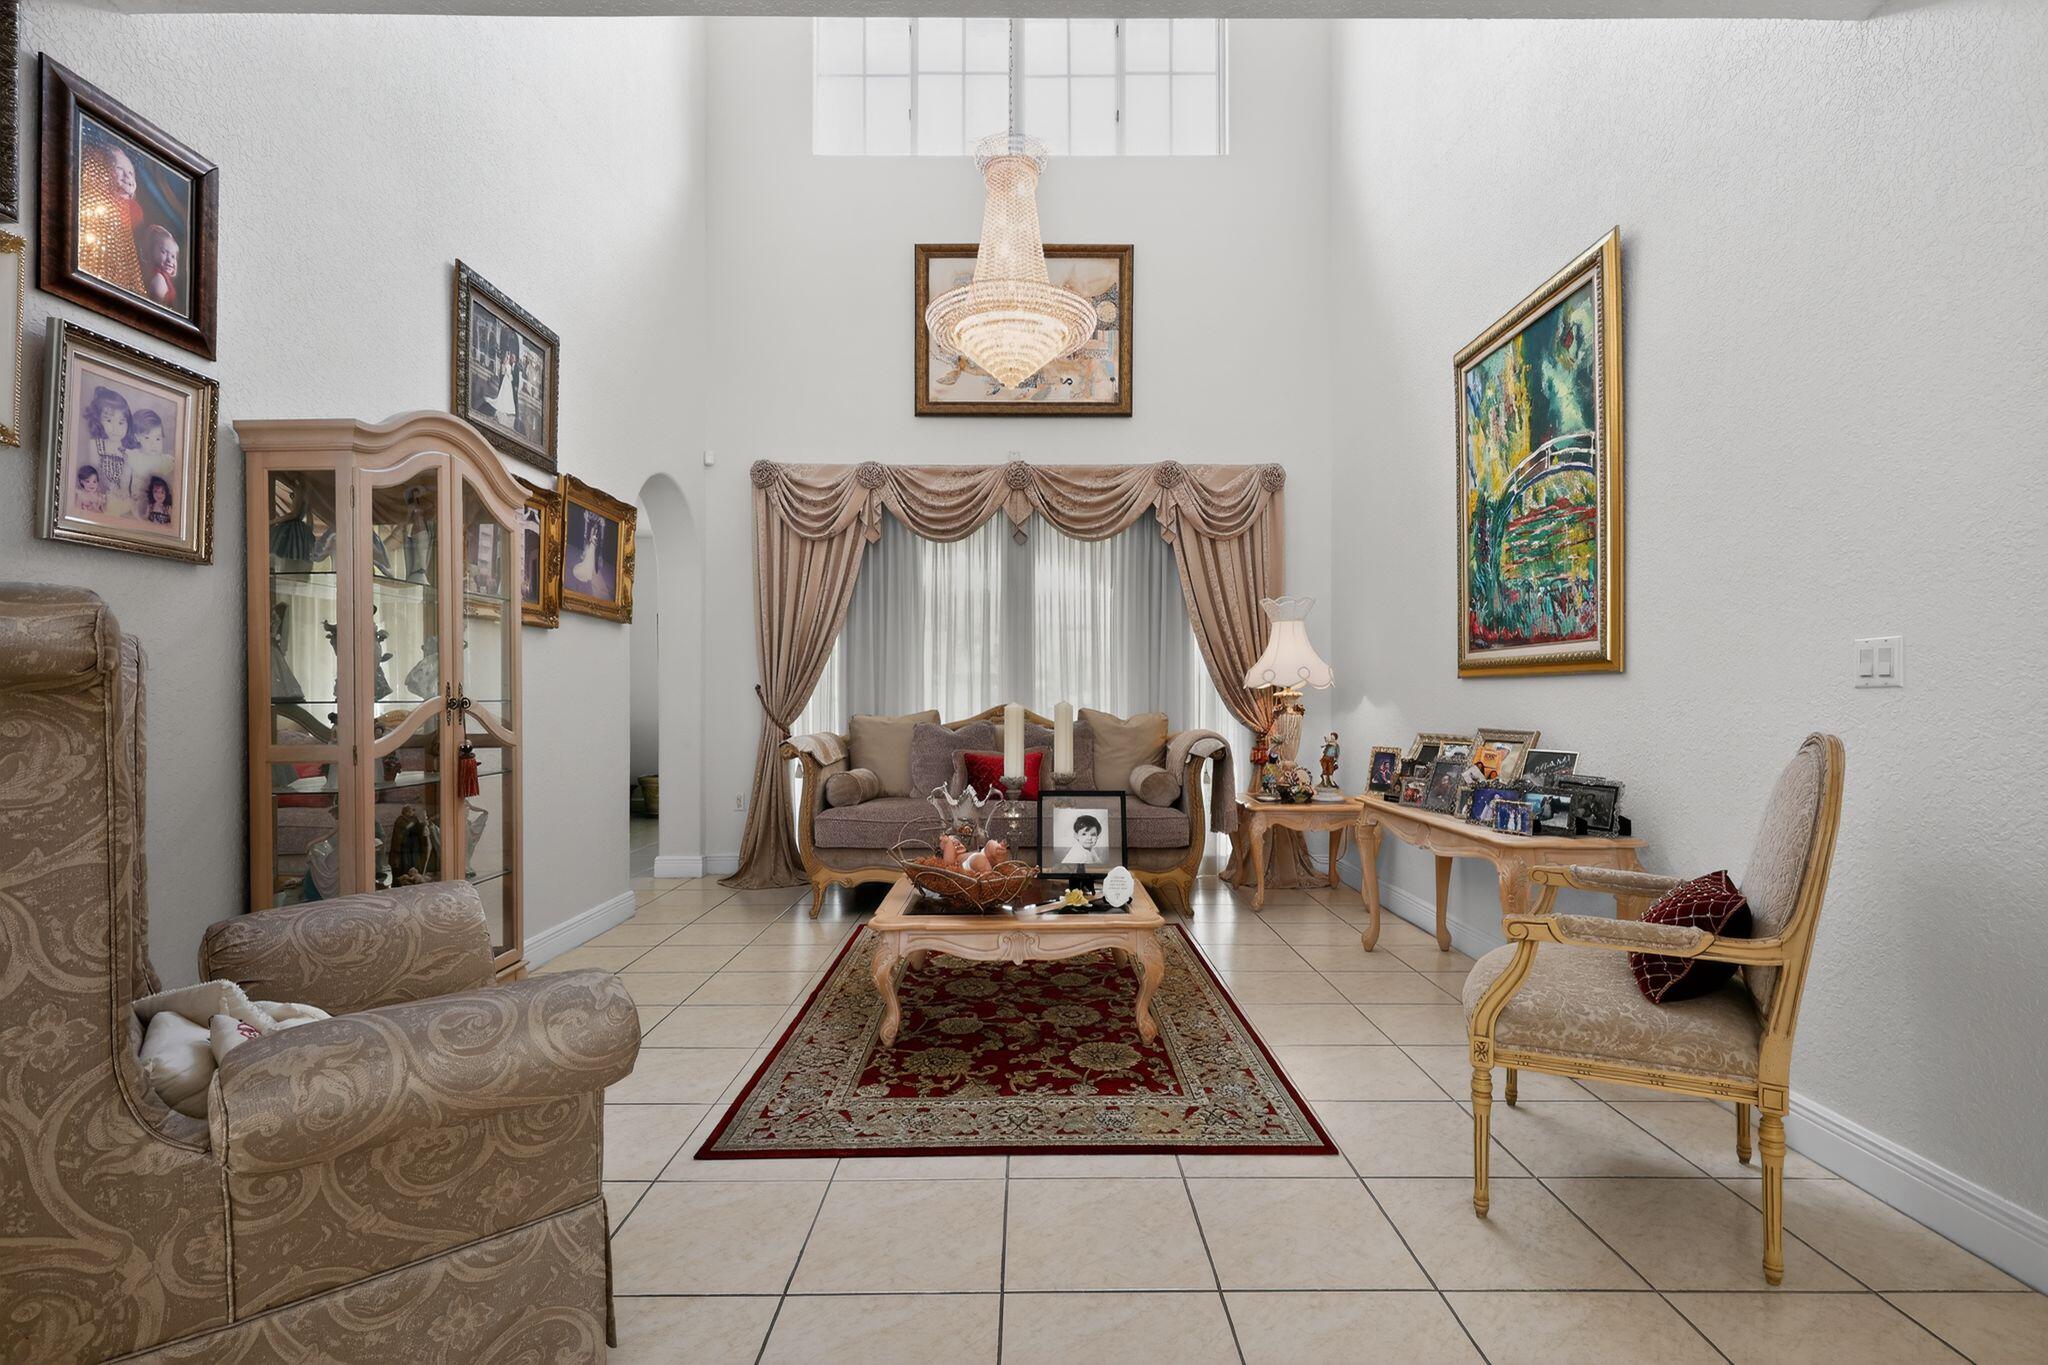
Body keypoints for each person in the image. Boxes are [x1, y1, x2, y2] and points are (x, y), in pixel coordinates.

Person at [80, 387, 135, 519]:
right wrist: (105, 491)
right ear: (98, 420)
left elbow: (126, 474)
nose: (116, 429)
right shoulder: (96, 444)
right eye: (109, 421)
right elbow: (95, 471)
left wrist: (124, 489)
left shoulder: (126, 448)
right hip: (100, 490)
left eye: (121, 422)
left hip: (120, 494)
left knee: (126, 507)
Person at [139, 224, 179, 309]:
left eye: (173, 256)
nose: (169, 260)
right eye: (164, 252)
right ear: (152, 251)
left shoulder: (163, 277)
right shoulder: (159, 279)